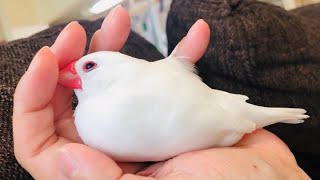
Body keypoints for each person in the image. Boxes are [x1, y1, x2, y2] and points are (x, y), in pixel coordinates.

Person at [12, 5, 310, 180]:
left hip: (225, 122)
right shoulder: (105, 107)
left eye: (87, 67)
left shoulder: (121, 103)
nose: (73, 75)